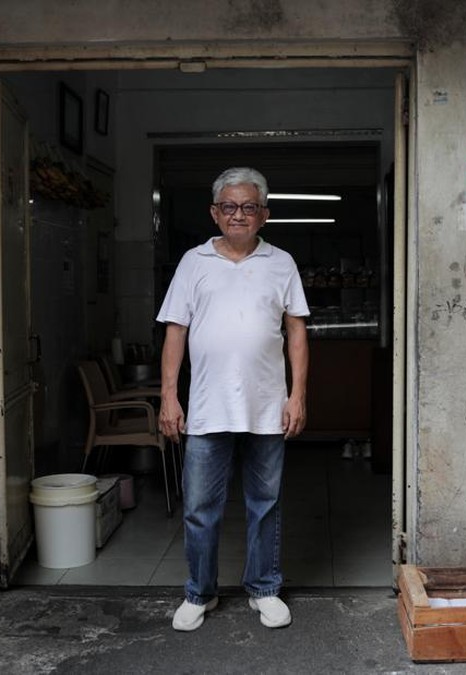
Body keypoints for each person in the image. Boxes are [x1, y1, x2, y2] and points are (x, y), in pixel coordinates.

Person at [156, 167, 310, 631]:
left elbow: (297, 332)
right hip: (206, 406)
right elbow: (175, 331)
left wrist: (297, 395)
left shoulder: (281, 262)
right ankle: (200, 592)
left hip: (267, 403)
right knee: (201, 507)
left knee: (265, 502)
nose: (237, 215)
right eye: (229, 206)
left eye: (248, 207)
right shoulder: (193, 262)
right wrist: (169, 396)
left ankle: (264, 587)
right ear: (214, 212)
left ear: (264, 214)